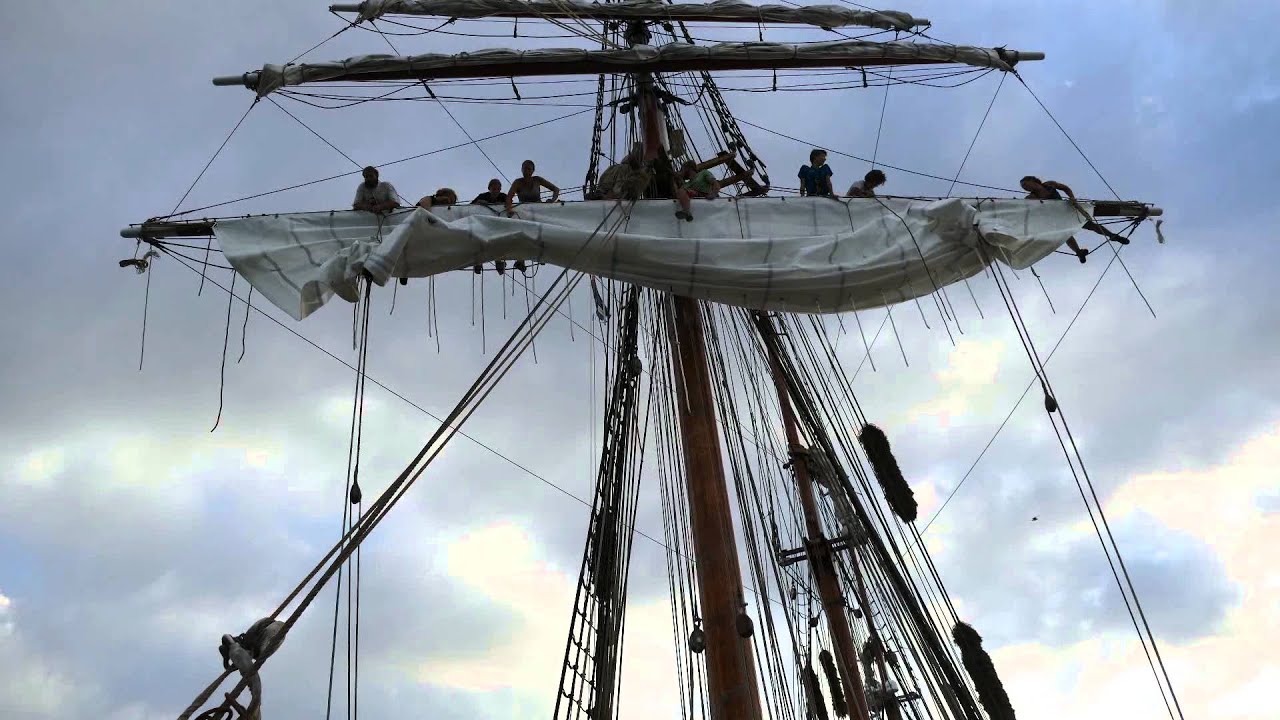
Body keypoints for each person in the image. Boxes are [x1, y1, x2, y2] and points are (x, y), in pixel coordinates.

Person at [1020, 175, 1129, 264]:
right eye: (1023, 187)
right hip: (1056, 217)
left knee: (1091, 225)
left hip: (1068, 211)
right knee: (1066, 234)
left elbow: (1065, 188)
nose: (1025, 188)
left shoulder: (1050, 184)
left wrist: (1072, 197)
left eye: (1025, 184)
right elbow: (1027, 207)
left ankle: (1113, 236)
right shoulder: (1031, 197)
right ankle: (1079, 252)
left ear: (1031, 180)